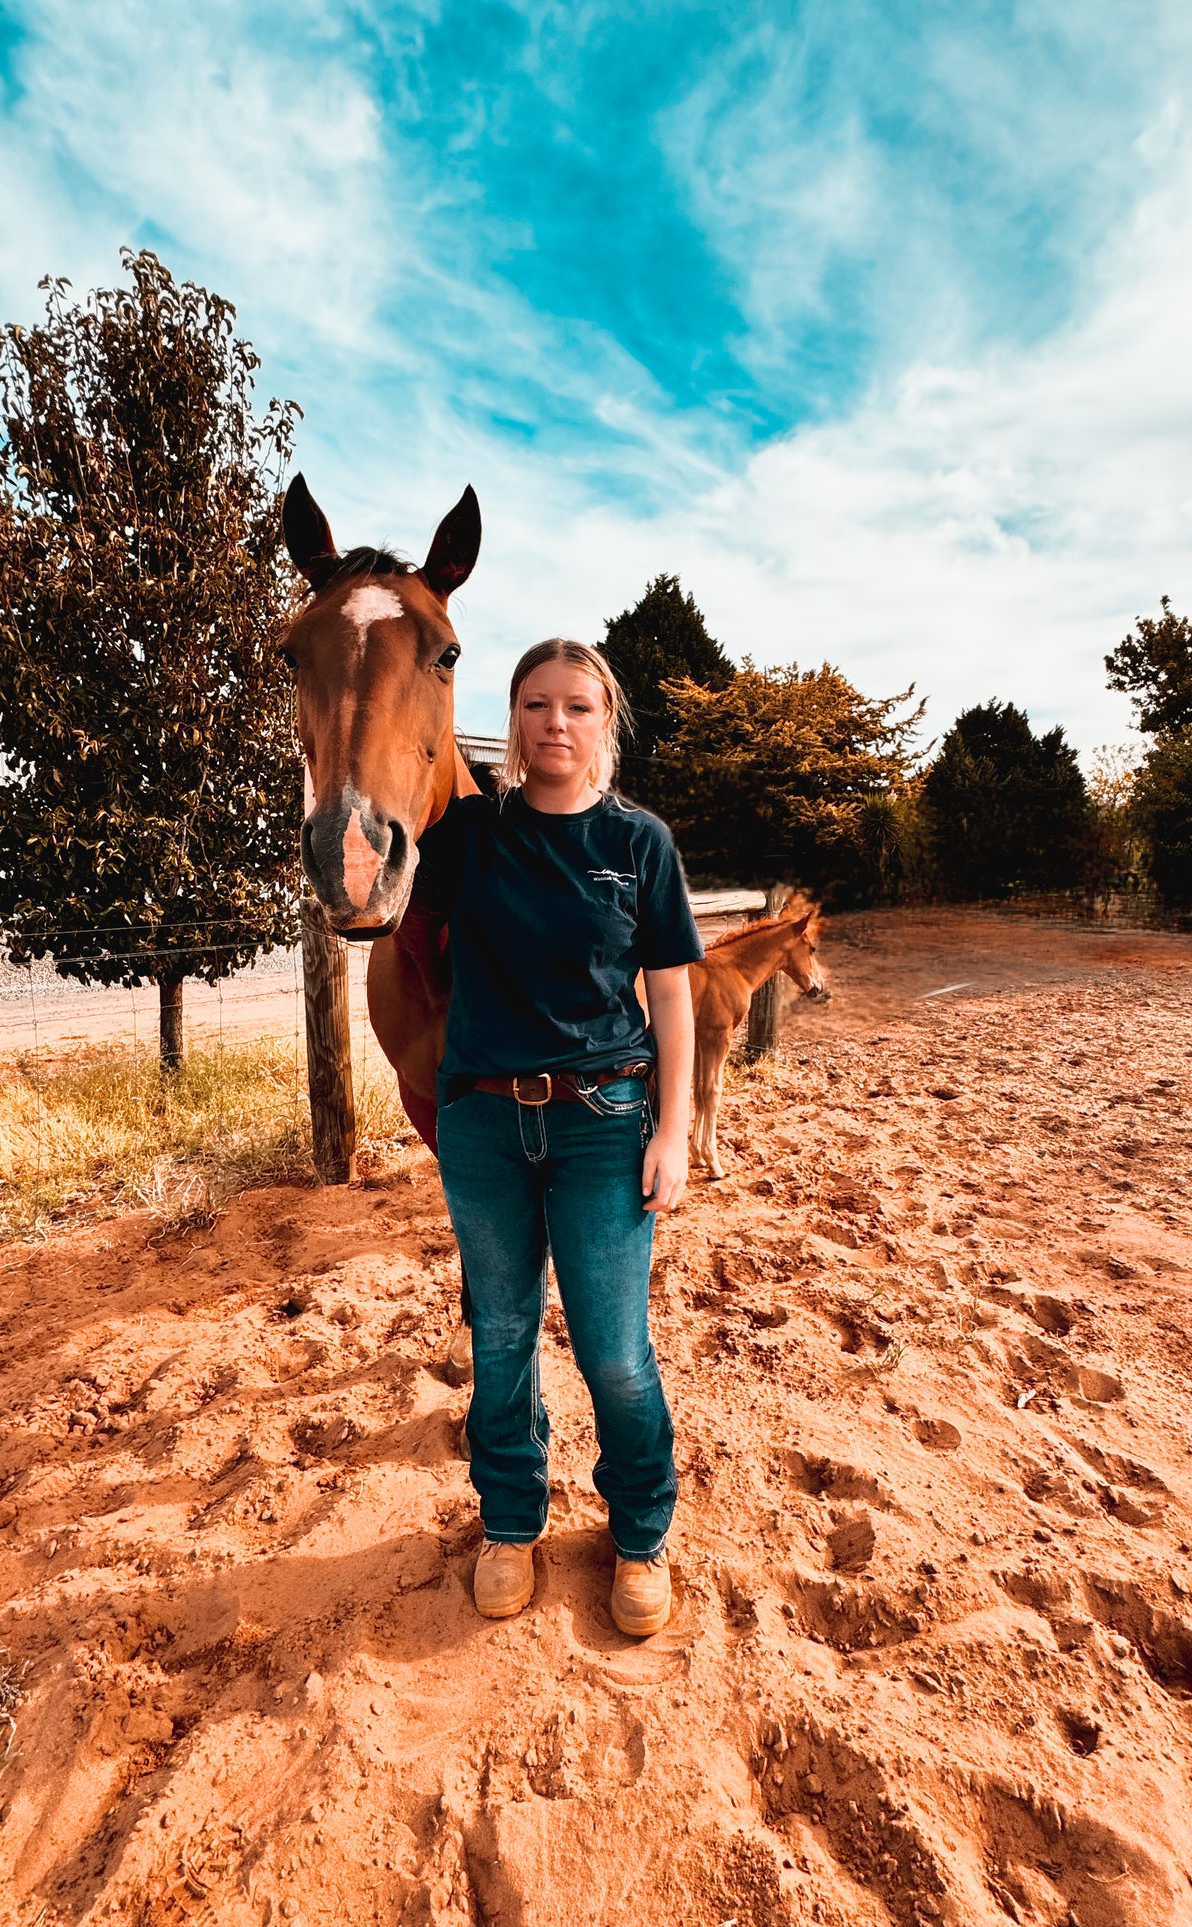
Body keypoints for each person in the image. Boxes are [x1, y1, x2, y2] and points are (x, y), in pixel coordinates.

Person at [416, 638, 702, 1637]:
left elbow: (669, 992)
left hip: (602, 1122)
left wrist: (673, 1128)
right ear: (513, 718)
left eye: (574, 706)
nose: (552, 723)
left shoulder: (638, 844)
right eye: (534, 704)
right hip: (485, 1121)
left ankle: (638, 1535)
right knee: (498, 1338)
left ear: (602, 722)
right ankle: (508, 1523)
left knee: (614, 1353)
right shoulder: (469, 836)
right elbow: (379, 838)